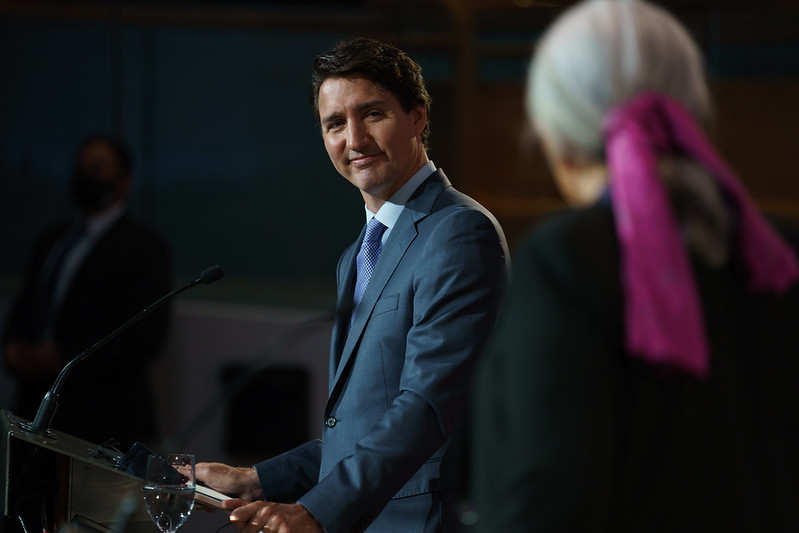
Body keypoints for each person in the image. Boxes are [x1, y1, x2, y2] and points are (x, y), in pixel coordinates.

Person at [471, 0, 799, 531]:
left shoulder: (566, 264)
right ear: (694, 116)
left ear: (558, 141)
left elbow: (544, 503)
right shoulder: (779, 259)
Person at [196, 37, 509, 533]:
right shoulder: (357, 256)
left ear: (418, 117)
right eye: (335, 124)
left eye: (373, 114)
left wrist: (316, 510)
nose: (355, 139)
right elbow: (361, 428)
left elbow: (428, 406)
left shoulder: (458, 232)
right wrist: (255, 480)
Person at [2, 134, 171, 450]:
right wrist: (13, 350)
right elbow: (28, 303)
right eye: (80, 167)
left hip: (102, 418)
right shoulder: (51, 239)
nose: (85, 176)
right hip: (34, 408)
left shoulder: (145, 247)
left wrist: (62, 356)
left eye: (97, 167)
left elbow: (144, 336)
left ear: (124, 181)